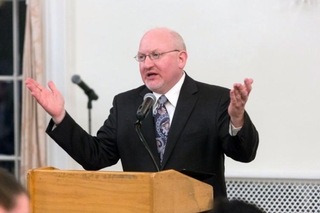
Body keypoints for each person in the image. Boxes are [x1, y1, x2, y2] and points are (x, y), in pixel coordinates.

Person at [25, 27, 259, 199]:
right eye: (142, 57)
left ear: (181, 59)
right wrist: (60, 117)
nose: (147, 64)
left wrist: (237, 118)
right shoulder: (126, 104)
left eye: (156, 55)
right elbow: (95, 157)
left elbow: (244, 153)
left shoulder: (215, 99)